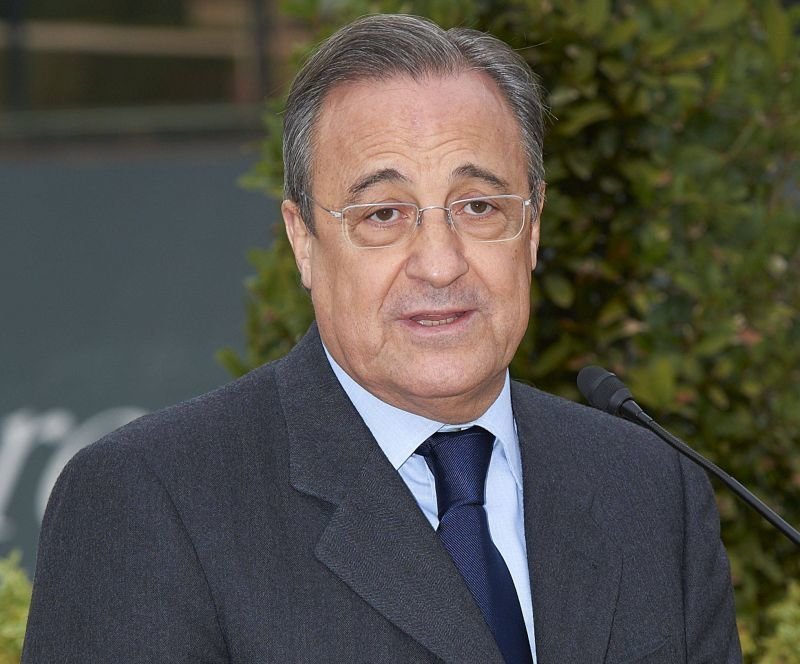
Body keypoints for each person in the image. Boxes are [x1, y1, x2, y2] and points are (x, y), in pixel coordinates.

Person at [22, 14, 741, 664]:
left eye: (479, 205)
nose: (440, 263)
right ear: (303, 241)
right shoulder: (149, 502)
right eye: (384, 214)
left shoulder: (649, 491)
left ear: (532, 227)